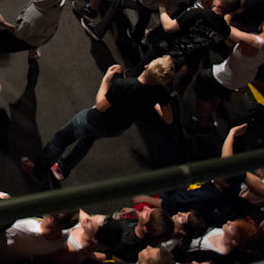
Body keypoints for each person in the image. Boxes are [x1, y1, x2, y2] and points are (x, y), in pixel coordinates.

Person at [22, 57, 174, 182]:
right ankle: (62, 169)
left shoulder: (123, 85)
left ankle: (38, 171)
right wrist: (154, 106)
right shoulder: (160, 94)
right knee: (87, 140)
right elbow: (168, 119)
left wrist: (106, 80)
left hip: (94, 119)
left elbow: (101, 106)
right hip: (116, 128)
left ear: (147, 66)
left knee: (60, 140)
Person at [194, 15, 264, 128]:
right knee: (217, 93)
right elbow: (259, 33)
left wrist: (228, 15)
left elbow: (225, 28)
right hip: (242, 77)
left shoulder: (253, 42)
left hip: (224, 76)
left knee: (204, 95)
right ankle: (209, 115)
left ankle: (202, 124)